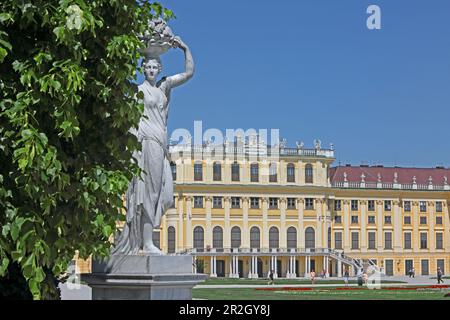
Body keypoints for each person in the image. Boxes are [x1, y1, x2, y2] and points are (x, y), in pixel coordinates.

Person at [112, 27, 195, 255]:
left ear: (160, 69)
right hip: (145, 142)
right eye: (147, 67)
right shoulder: (135, 90)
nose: (150, 70)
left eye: (154, 67)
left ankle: (144, 240)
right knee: (148, 193)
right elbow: (113, 85)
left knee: (165, 195)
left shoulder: (164, 87)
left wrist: (185, 48)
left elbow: (188, 73)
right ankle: (146, 243)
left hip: (160, 143)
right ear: (142, 69)